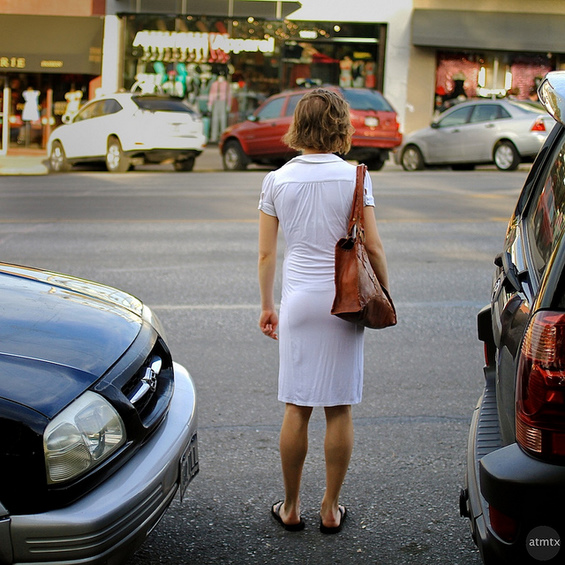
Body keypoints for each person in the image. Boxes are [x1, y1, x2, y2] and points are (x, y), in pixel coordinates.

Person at [258, 88, 390, 534]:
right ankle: (330, 508)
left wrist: (267, 305)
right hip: (345, 301)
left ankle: (291, 506)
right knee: (339, 408)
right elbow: (371, 245)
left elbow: (265, 255)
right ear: (339, 125)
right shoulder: (356, 176)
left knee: (297, 406)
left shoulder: (277, 180)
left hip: (297, 302)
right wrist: (385, 292)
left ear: (299, 126)